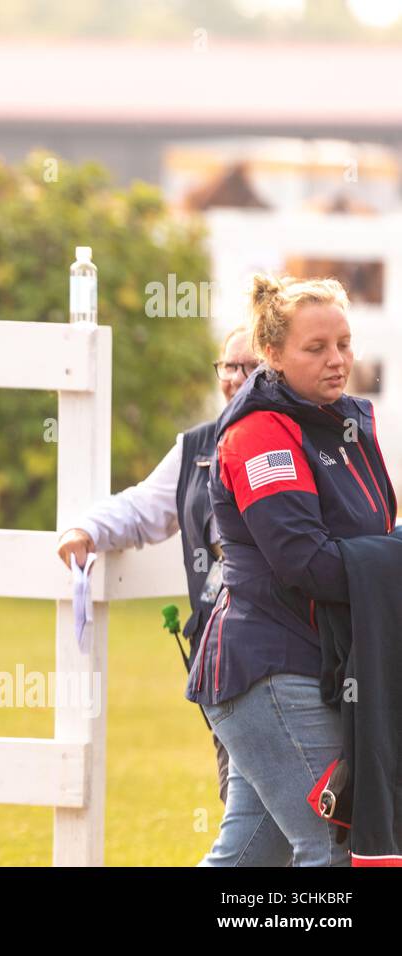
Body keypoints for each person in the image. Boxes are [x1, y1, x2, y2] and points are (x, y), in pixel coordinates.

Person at [192, 274, 395, 866]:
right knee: (332, 849)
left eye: (344, 344)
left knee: (250, 856)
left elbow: (372, 538)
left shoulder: (345, 424)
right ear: (273, 355)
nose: (337, 361)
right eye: (316, 348)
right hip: (270, 672)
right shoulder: (259, 435)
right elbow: (305, 562)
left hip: (312, 668)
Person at [56, 325, 257, 805]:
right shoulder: (198, 447)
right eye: (228, 365)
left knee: (274, 824)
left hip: (289, 659)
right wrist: (85, 530)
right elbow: (142, 507)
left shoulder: (299, 440)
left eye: (250, 367)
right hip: (222, 658)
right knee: (244, 807)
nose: (235, 378)